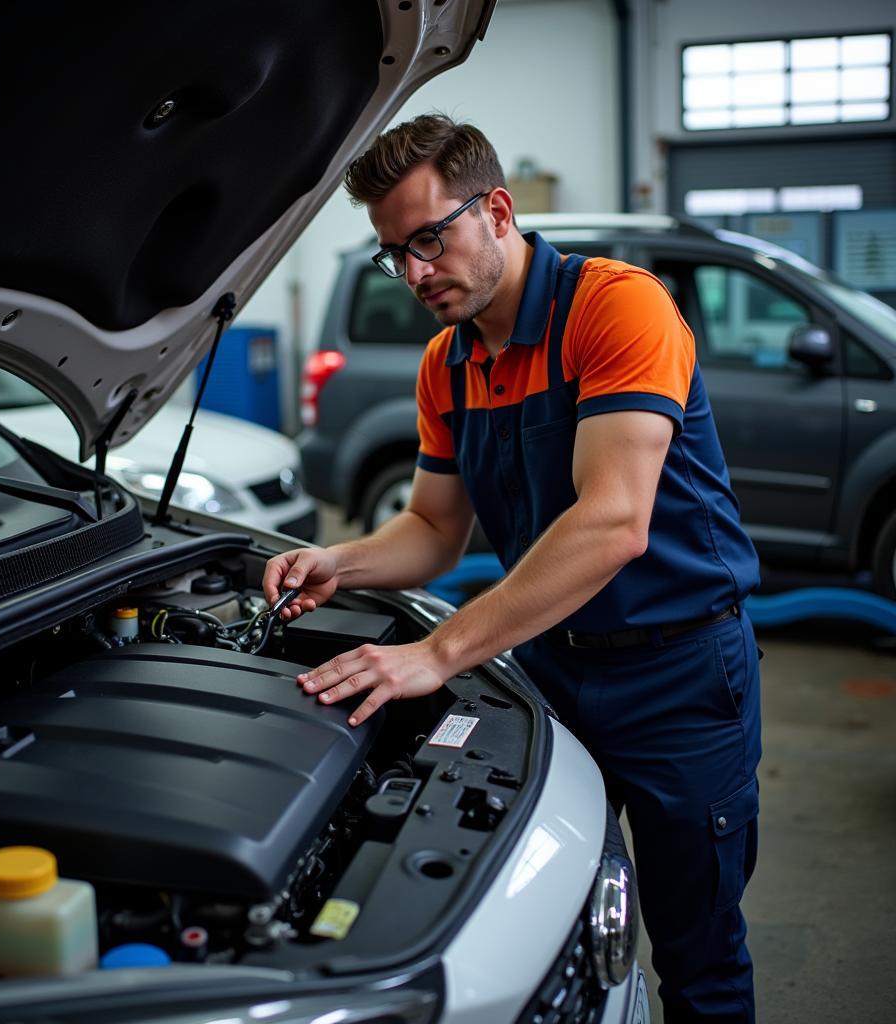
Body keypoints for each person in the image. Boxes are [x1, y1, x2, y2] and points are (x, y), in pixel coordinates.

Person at [264, 114, 761, 1023]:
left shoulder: (616, 307)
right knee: (557, 926)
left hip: (680, 677)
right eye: (393, 254)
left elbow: (613, 521)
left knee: (698, 951)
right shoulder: (446, 365)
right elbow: (432, 529)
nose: (413, 274)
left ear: (496, 210)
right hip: (551, 667)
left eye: (427, 240)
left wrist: (440, 652)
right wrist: (339, 559)